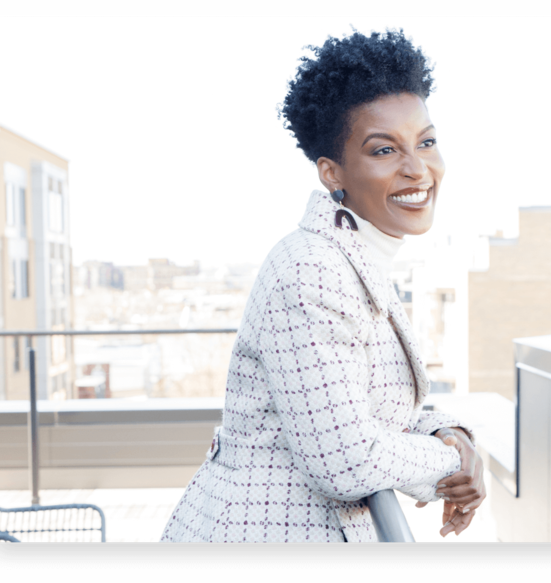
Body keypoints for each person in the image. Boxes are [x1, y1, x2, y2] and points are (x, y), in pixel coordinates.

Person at [161, 28, 486, 543]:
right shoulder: (310, 268)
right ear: (332, 172)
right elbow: (345, 459)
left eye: (426, 141)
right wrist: (451, 461)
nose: (417, 168)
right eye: (384, 150)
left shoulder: (353, 259)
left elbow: (368, 406)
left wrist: (451, 434)